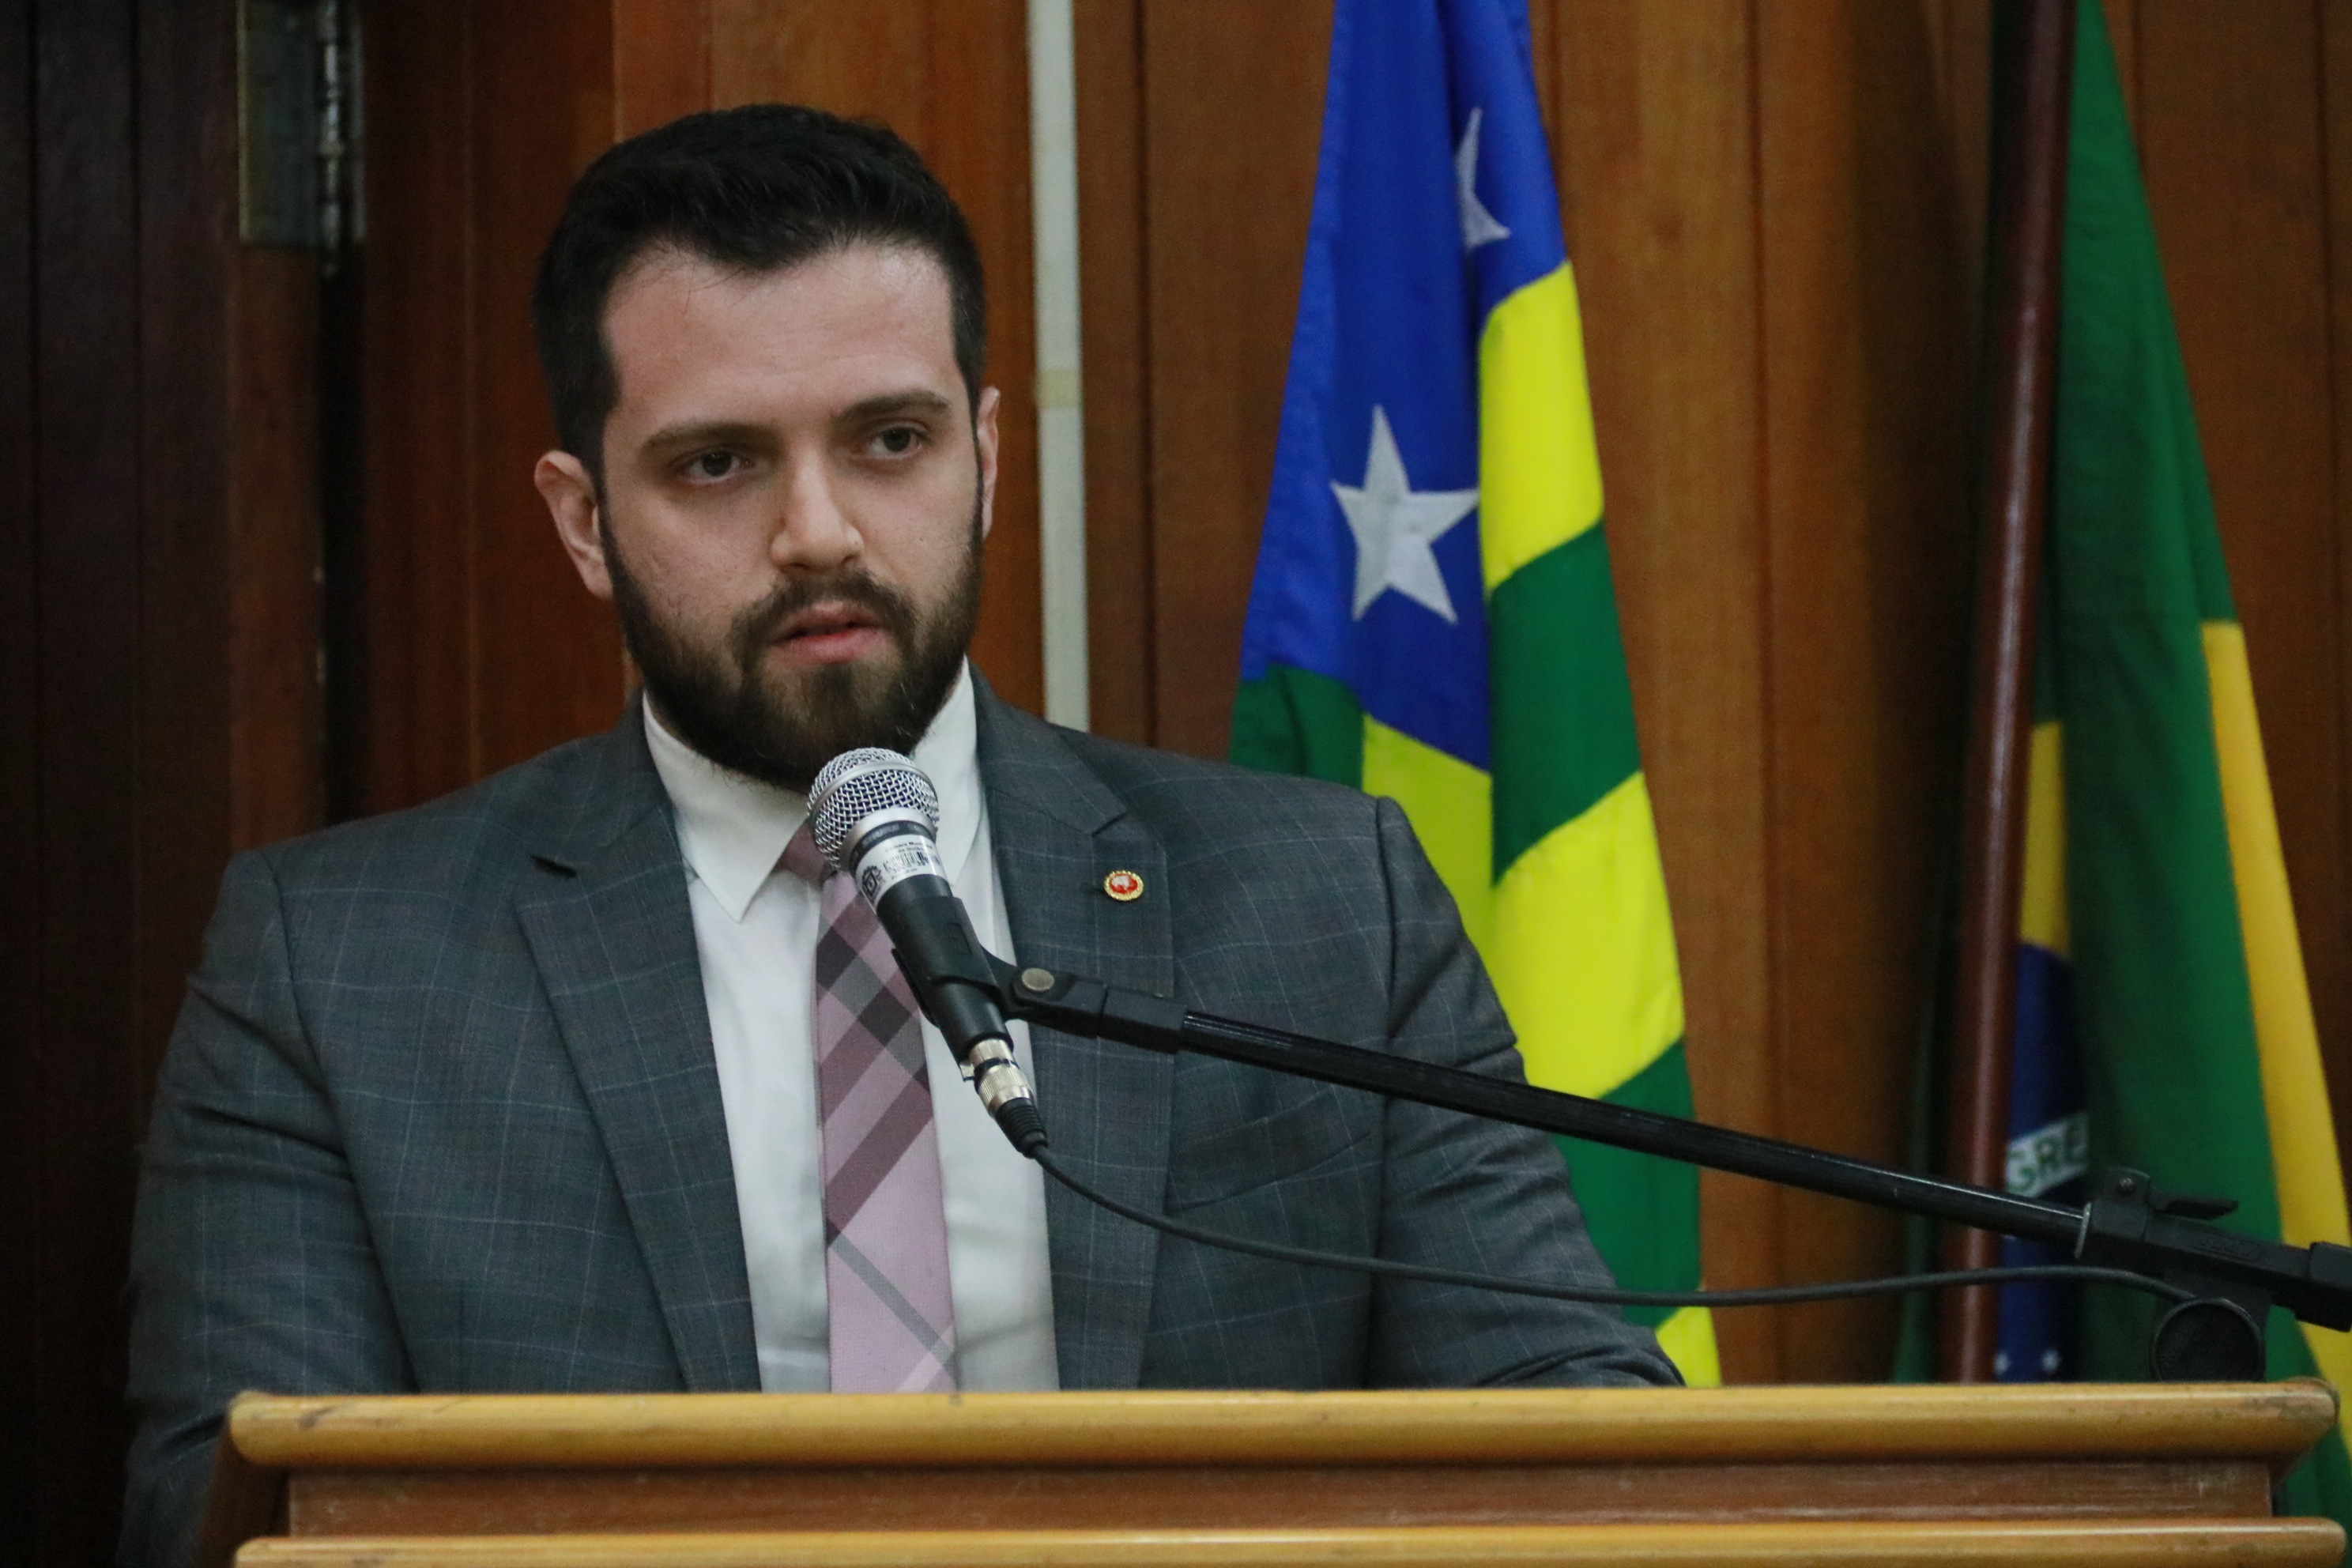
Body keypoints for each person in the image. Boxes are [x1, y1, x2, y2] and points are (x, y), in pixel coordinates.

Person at [119, 104, 1677, 1566]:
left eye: (889, 441)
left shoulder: (1328, 903)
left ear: (985, 457)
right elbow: (238, 1513)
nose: (819, 532)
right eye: (718, 462)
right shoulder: (339, 967)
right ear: (584, 519)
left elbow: (1575, 1442)